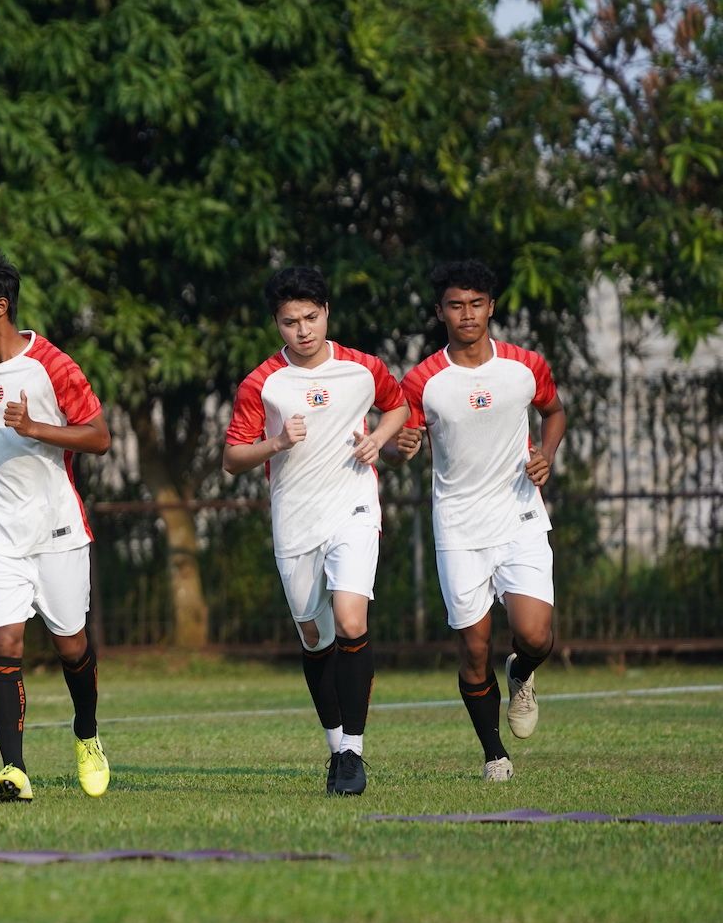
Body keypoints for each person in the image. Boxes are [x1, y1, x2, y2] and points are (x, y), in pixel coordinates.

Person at [222, 266, 408, 796]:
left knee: (352, 620)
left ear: (326, 312)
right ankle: (335, 748)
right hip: (295, 517)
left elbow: (397, 406)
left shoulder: (363, 368)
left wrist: (379, 439)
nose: (302, 330)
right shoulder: (263, 383)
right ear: (276, 325)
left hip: (352, 507)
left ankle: (354, 753)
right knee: (315, 634)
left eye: (310, 318)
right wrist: (275, 444)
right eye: (289, 322)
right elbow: (233, 457)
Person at [391, 259, 567, 781]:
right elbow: (401, 442)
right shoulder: (423, 379)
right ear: (440, 311)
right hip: (459, 527)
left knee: (534, 636)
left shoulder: (525, 365)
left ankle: (522, 672)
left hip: (520, 517)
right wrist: (402, 446)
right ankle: (495, 754)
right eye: (454, 305)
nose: (466, 314)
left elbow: (553, 412)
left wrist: (547, 455)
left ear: (490, 307)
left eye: (475, 304)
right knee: (473, 648)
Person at [0, 249, 110, 803]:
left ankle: (87, 737)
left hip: (58, 529)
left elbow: (99, 437)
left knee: (71, 647)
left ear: (0, 307)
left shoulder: (54, 365)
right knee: (4, 642)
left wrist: (37, 427)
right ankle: (13, 771)